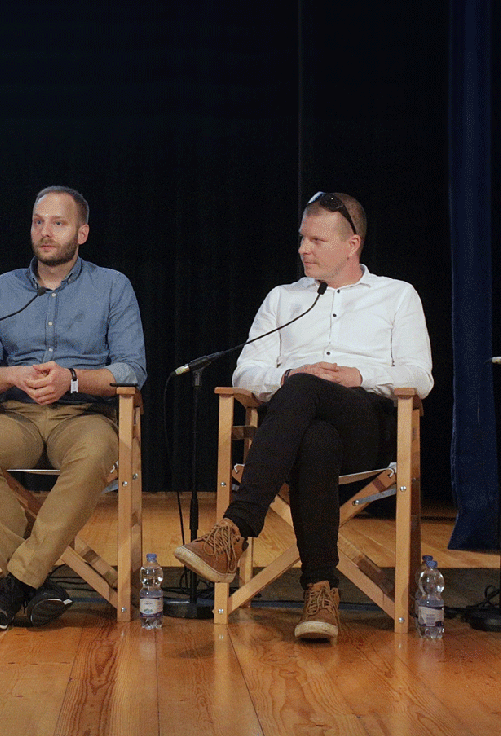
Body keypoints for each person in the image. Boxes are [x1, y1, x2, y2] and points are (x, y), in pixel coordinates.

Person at [176, 191, 433, 640]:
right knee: (315, 436)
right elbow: (245, 372)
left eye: (316, 240)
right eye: (302, 238)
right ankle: (320, 592)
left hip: (364, 425)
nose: (303, 249)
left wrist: (358, 375)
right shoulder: (282, 298)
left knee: (305, 389)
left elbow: (420, 375)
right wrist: (289, 374)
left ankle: (235, 528)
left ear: (352, 244)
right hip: (295, 436)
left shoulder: (396, 296)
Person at [0, 186, 147, 630]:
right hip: (16, 415)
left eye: (58, 223)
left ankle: (18, 582)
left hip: (83, 415)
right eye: (39, 222)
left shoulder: (112, 286)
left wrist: (71, 379)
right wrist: (12, 376)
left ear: (82, 233)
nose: (46, 232)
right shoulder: (1, 290)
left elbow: (132, 369)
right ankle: (34, 583)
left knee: (96, 452)